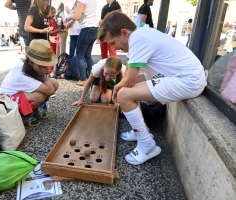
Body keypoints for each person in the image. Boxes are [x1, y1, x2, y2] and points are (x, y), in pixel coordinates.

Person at [98, 11, 206, 165]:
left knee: (123, 94)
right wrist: (123, 85)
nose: (114, 47)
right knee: (127, 91)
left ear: (124, 33)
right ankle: (141, 131)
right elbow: (130, 73)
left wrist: (116, 87)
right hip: (182, 77)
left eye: (113, 42)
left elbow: (128, 81)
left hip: (187, 81)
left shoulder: (137, 38)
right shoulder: (139, 32)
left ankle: (147, 144)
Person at [0, 39, 59, 126]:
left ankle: (33, 110)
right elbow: (50, 90)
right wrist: (43, 76)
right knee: (40, 96)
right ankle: (23, 116)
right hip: (7, 100)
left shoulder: (28, 65)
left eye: (47, 65)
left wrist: (43, 73)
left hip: (19, 93)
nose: (45, 69)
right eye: (41, 65)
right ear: (31, 62)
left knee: (54, 83)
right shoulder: (21, 76)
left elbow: (52, 86)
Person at [66, 0, 98, 86]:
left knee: (79, 55)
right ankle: (92, 79)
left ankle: (83, 79)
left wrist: (70, 12)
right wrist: (70, 18)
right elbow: (85, 15)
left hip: (86, 28)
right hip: (94, 28)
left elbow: (77, 16)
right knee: (88, 56)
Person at [48, 6, 60, 74]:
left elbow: (57, 30)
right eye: (52, 13)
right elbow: (49, 32)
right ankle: (51, 70)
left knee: (57, 53)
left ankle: (54, 69)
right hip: (52, 40)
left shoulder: (54, 21)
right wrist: (57, 30)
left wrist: (58, 27)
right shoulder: (49, 21)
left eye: (54, 13)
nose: (54, 14)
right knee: (52, 54)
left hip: (57, 39)